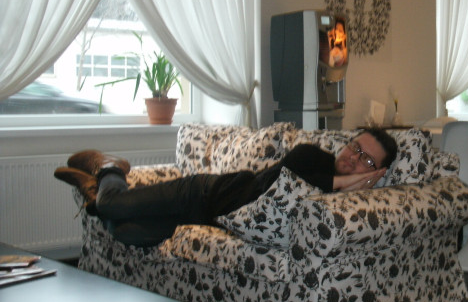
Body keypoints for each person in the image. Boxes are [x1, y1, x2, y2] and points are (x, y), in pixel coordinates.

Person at [54, 128, 398, 247]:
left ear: (377, 173)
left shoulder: (344, 208)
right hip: (202, 192)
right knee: (114, 206)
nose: (353, 158)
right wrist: (352, 180)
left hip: (203, 221)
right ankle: (111, 167)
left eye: (366, 160)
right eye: (355, 147)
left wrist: (353, 189)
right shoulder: (311, 156)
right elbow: (286, 186)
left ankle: (94, 194)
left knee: (125, 230)